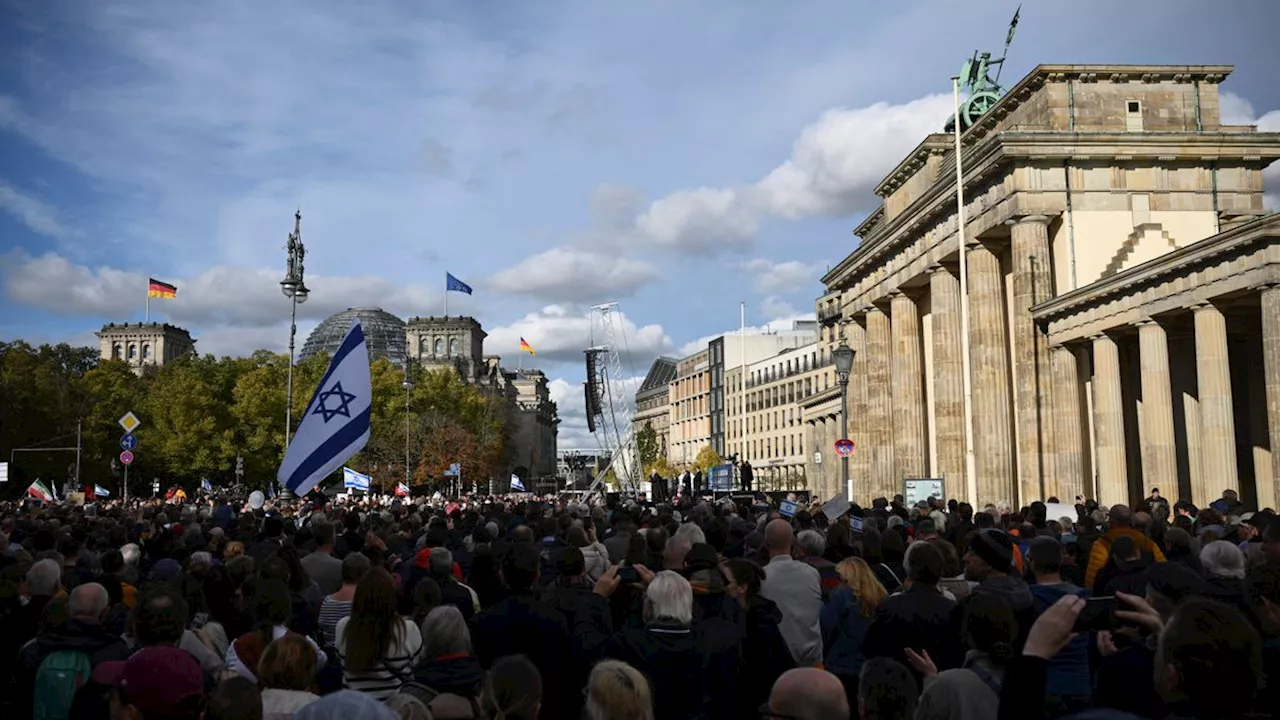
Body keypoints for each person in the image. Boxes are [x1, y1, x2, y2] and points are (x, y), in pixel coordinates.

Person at [336, 568, 422, 700]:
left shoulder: (343, 627)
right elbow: (416, 671)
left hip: (354, 709)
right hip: (396, 710)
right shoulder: (407, 630)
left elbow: (341, 665)